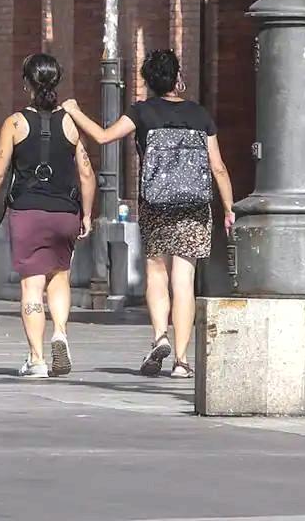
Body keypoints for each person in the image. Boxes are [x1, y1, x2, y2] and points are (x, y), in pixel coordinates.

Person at [62, 49, 234, 379]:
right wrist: (227, 206)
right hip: (195, 207)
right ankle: (182, 361)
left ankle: (159, 337)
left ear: (148, 82)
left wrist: (75, 110)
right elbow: (219, 167)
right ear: (177, 78)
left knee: (157, 272)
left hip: (156, 204)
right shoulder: (200, 115)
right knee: (184, 280)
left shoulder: (142, 112)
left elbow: (103, 136)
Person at [0, 54, 95, 378]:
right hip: (65, 213)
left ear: (26, 84)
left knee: (32, 286)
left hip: (27, 213)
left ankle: (37, 358)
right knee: (59, 276)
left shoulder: (15, 123)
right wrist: (86, 213)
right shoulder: (70, 122)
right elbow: (86, 171)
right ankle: (60, 332)